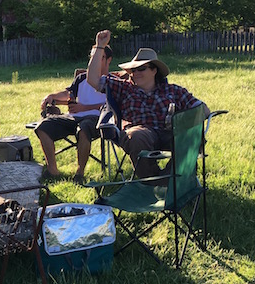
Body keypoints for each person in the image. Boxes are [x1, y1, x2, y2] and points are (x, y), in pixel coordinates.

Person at [86, 30, 209, 180]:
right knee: (137, 136)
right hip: (140, 131)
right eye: (133, 70)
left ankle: (170, 180)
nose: (135, 73)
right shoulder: (124, 88)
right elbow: (93, 79)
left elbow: (202, 109)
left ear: (154, 70)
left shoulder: (173, 90)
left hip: (168, 131)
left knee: (193, 136)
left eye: (141, 68)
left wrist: (186, 122)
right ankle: (151, 183)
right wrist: (99, 47)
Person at [35, 46, 113, 184]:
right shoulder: (82, 78)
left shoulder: (112, 81)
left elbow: (112, 106)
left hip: (97, 118)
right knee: (43, 126)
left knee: (83, 128)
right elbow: (68, 94)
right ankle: (53, 169)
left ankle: (79, 173)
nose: (94, 60)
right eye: (92, 57)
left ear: (108, 60)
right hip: (73, 117)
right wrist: (51, 96)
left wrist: (84, 107)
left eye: (99, 57)